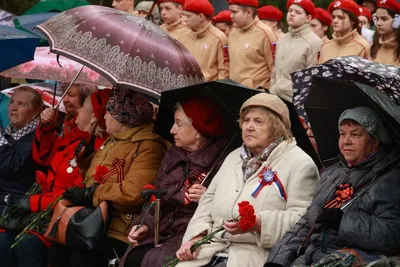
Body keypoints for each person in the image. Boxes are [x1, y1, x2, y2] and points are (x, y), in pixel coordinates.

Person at [175, 93, 319, 267]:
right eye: (246, 120)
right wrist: (196, 237)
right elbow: (207, 202)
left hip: (254, 254)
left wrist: (259, 223)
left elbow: (303, 220)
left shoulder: (300, 164)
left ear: (277, 127)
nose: (249, 127)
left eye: (258, 121)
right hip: (211, 247)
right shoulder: (233, 157)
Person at [266, 106, 400, 267]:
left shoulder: (390, 179)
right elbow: (307, 223)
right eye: (342, 134)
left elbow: (393, 234)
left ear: (375, 140)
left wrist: (344, 222)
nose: (346, 141)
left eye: (355, 134)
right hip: (309, 257)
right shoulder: (332, 172)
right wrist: (277, 259)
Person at [50, 88, 169, 267]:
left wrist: (93, 193)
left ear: (122, 118)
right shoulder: (114, 139)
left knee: (81, 257)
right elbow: (94, 179)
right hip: (94, 221)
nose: (104, 117)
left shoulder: (148, 147)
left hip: (119, 229)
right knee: (58, 248)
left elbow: (134, 193)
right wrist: (85, 161)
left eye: (109, 112)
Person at [121, 97, 229, 267]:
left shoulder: (223, 161)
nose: (172, 130)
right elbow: (155, 195)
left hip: (191, 232)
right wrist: (144, 225)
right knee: (133, 256)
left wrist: (208, 198)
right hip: (162, 227)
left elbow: (229, 206)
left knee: (157, 260)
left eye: (179, 124)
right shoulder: (174, 153)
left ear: (198, 130)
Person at [269, 0, 322, 103]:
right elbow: (275, 71)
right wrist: (272, 89)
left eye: (298, 12)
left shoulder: (314, 42)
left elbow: (312, 77)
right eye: (290, 10)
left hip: (295, 102)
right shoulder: (282, 39)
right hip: (275, 97)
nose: (292, 14)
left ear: (308, 18)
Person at [228, 0, 277, 90]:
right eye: (230, 12)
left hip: (256, 95)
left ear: (248, 13)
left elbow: (274, 68)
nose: (231, 16)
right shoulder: (233, 33)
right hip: (234, 92)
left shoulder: (265, 33)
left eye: (234, 12)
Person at [179, 0, 229, 81]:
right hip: (186, 88)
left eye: (188, 16)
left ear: (201, 17)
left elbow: (223, 70)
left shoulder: (219, 38)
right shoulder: (183, 36)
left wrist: (220, 91)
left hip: (209, 90)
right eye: (183, 15)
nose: (184, 19)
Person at [369, 0, 400, 65]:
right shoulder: (374, 45)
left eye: (384, 19)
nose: (378, 23)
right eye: (377, 19)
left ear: (397, 21)